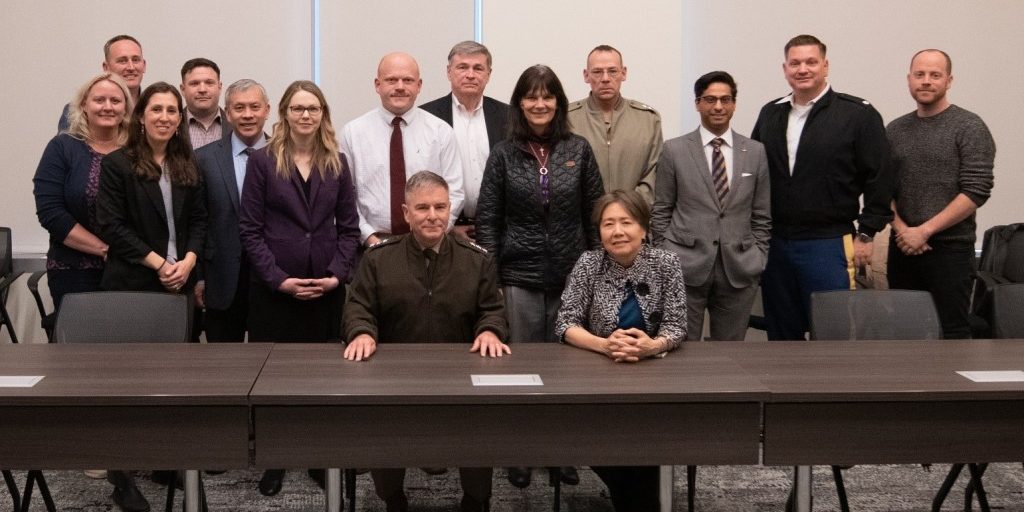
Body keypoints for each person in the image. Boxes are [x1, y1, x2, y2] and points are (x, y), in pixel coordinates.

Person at [343, 171, 509, 512]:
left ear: (450, 209)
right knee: (385, 430)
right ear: (406, 213)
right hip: (394, 373)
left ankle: (476, 500)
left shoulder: (477, 259)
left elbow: (492, 309)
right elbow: (358, 306)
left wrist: (489, 330)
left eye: (440, 207)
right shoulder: (378, 258)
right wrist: (361, 331)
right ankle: (393, 499)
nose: (432, 216)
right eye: (422, 208)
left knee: (480, 429)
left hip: (461, 372)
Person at [475, 64, 604, 489]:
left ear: (559, 103)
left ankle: (562, 454)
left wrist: (595, 273)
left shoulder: (579, 149)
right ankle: (520, 453)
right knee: (522, 371)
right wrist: (491, 279)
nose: (540, 103)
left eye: (548, 95)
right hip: (518, 276)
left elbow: (594, 216)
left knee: (569, 371)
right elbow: (488, 222)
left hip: (572, 278)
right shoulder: (503, 154)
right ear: (519, 103)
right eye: (531, 96)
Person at [238, 80, 360, 496]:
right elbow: (250, 231)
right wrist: (278, 279)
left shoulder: (338, 162)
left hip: (325, 287)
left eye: (313, 108)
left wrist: (337, 274)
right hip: (275, 290)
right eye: (297, 108)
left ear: (323, 114)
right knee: (273, 380)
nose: (305, 115)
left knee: (320, 377)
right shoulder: (261, 162)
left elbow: (349, 229)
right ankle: (274, 457)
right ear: (284, 114)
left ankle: (314, 454)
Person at [94, 82, 207, 512]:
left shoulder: (186, 162)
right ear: (140, 116)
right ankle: (121, 475)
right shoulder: (119, 165)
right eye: (156, 109)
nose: (164, 117)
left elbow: (200, 219)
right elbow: (111, 225)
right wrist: (160, 263)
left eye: (171, 111)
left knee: (174, 382)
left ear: (180, 119)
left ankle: (165, 461)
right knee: (126, 386)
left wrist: (189, 262)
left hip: (179, 284)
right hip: (133, 285)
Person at [751, 34, 893, 340]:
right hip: (776, 244)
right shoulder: (770, 114)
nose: (803, 69)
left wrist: (867, 233)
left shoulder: (858, 115)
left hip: (828, 243)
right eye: (795, 63)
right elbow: (755, 176)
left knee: (832, 334)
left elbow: (880, 178)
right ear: (785, 68)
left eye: (811, 62)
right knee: (781, 334)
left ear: (825, 66)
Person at [556, 189, 685, 510]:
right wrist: (605, 345)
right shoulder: (589, 263)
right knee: (616, 451)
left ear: (643, 228)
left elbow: (677, 325)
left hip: (652, 382)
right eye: (608, 223)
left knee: (642, 451)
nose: (617, 232)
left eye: (626, 222)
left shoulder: (666, 263)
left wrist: (652, 346)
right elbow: (565, 323)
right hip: (597, 380)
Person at [652, 71, 770, 341]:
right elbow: (661, 211)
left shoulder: (755, 152)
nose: (718, 106)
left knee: (730, 351)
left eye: (725, 99)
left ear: (734, 104)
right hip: (685, 265)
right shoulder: (675, 150)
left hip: (739, 269)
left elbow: (762, 214)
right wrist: (665, 255)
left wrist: (759, 257)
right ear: (697, 103)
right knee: (682, 347)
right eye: (710, 99)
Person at [887, 49, 995, 339]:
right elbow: (882, 189)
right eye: (919, 74)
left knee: (952, 335)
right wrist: (903, 231)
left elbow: (976, 189)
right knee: (905, 334)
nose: (926, 81)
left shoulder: (969, 127)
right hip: (903, 249)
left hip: (951, 251)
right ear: (909, 79)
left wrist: (924, 231)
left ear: (949, 80)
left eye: (935, 75)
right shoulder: (895, 130)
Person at [341, 52, 464, 246]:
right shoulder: (353, 133)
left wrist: (434, 232)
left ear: (419, 86)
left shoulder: (441, 132)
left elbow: (455, 192)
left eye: (407, 80)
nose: (400, 87)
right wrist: (369, 238)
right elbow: (345, 196)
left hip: (430, 244)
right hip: (373, 244)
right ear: (377, 85)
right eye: (391, 80)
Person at [34, 73, 131, 309]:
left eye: (115, 101)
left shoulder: (138, 150)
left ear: (126, 108)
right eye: (99, 100)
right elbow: (50, 212)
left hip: (132, 271)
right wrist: (106, 250)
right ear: (84, 106)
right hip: (74, 272)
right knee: (81, 345)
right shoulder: (63, 147)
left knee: (131, 344)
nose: (107, 107)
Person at [194, 79, 271, 343]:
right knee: (223, 368)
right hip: (222, 279)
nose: (247, 115)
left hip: (272, 277)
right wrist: (199, 278)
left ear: (267, 110)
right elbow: (197, 222)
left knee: (271, 361)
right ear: (227, 113)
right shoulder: (203, 159)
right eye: (239, 108)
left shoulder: (285, 155)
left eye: (254, 107)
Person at [420, 41, 510, 241]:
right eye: (462, 67)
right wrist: (449, 227)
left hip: (498, 230)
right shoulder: (426, 116)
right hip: (444, 230)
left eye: (478, 68)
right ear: (449, 72)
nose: (470, 74)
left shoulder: (509, 117)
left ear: (488, 74)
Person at [567, 45, 662, 204]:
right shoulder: (567, 118)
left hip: (634, 218)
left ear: (623, 73)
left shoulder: (648, 119)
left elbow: (654, 174)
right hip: (583, 222)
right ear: (586, 75)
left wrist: (627, 210)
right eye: (597, 72)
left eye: (612, 71)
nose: (605, 78)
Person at [59, 35, 146, 132]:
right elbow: (66, 146)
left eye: (135, 60)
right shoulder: (77, 111)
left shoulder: (155, 109)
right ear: (106, 68)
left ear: (144, 65)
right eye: (122, 61)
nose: (131, 67)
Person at [180, 58, 227, 149]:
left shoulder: (234, 124)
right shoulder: (172, 125)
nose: (202, 90)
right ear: (183, 89)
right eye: (194, 83)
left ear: (219, 87)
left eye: (209, 83)